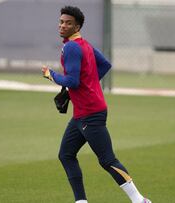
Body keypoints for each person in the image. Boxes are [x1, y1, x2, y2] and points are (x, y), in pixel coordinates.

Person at [41, 6, 151, 203]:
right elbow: (105, 65)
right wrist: (88, 86)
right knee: (66, 154)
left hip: (90, 113)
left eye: (68, 23)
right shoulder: (83, 44)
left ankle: (140, 200)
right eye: (61, 22)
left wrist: (51, 75)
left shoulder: (72, 47)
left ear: (77, 26)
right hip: (83, 113)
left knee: (107, 160)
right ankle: (81, 201)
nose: (62, 25)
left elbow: (72, 81)